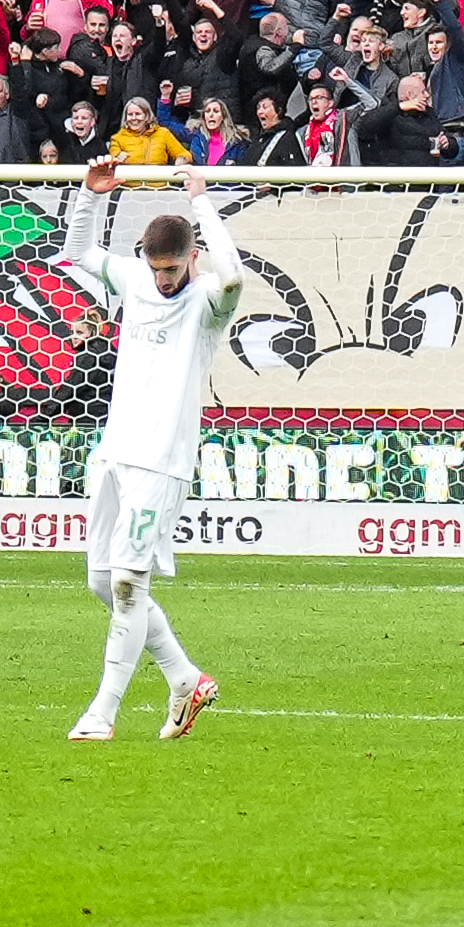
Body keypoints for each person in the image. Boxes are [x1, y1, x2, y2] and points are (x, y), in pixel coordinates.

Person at [63, 162, 287, 745]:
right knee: (99, 582)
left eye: (172, 268)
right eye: (157, 268)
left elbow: (235, 275)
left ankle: (102, 712)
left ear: (191, 258)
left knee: (129, 586)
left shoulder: (209, 302)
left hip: (161, 462)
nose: (163, 280)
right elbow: (78, 251)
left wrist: (203, 203)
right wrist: (91, 193)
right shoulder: (134, 279)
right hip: (115, 452)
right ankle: (184, 678)